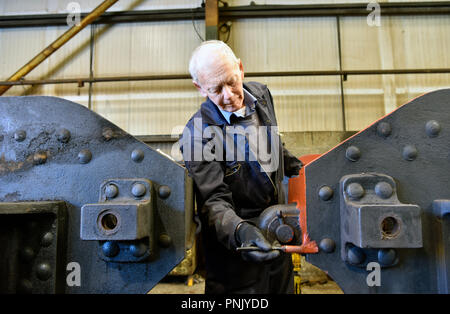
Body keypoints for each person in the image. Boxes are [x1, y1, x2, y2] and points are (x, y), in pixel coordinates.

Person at [179, 40, 302, 294]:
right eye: (216, 89)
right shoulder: (196, 136)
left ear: (241, 68)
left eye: (232, 81)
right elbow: (213, 202)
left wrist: (303, 170)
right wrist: (241, 232)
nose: (229, 95)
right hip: (235, 257)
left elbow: (275, 148)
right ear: (199, 87)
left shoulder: (261, 96)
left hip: (279, 234)